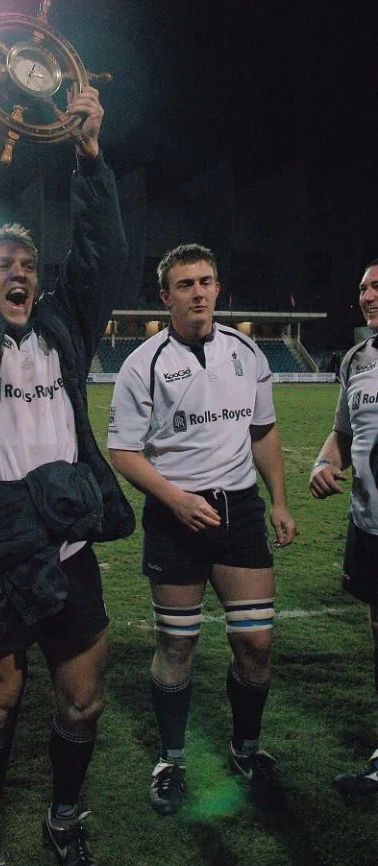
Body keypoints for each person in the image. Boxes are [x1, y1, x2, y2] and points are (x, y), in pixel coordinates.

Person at [0, 74, 134, 866]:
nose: (20, 272)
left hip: (69, 553)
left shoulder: (63, 332)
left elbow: (103, 257)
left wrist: (89, 158)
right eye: (3, 262)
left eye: (29, 263)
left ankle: (65, 819)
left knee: (83, 700)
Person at [107, 243, 296, 816]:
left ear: (218, 289)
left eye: (206, 282)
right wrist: (175, 498)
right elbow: (123, 450)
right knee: (176, 643)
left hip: (238, 513)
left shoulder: (247, 352)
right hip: (174, 516)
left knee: (256, 642)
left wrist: (278, 503)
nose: (198, 293)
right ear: (165, 296)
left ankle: (246, 749)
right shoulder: (143, 363)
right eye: (185, 284)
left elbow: (262, 431)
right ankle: (172, 758)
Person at [309, 257, 378, 794]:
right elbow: (341, 434)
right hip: (369, 524)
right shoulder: (356, 360)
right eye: (363, 288)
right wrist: (323, 462)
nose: (369, 295)